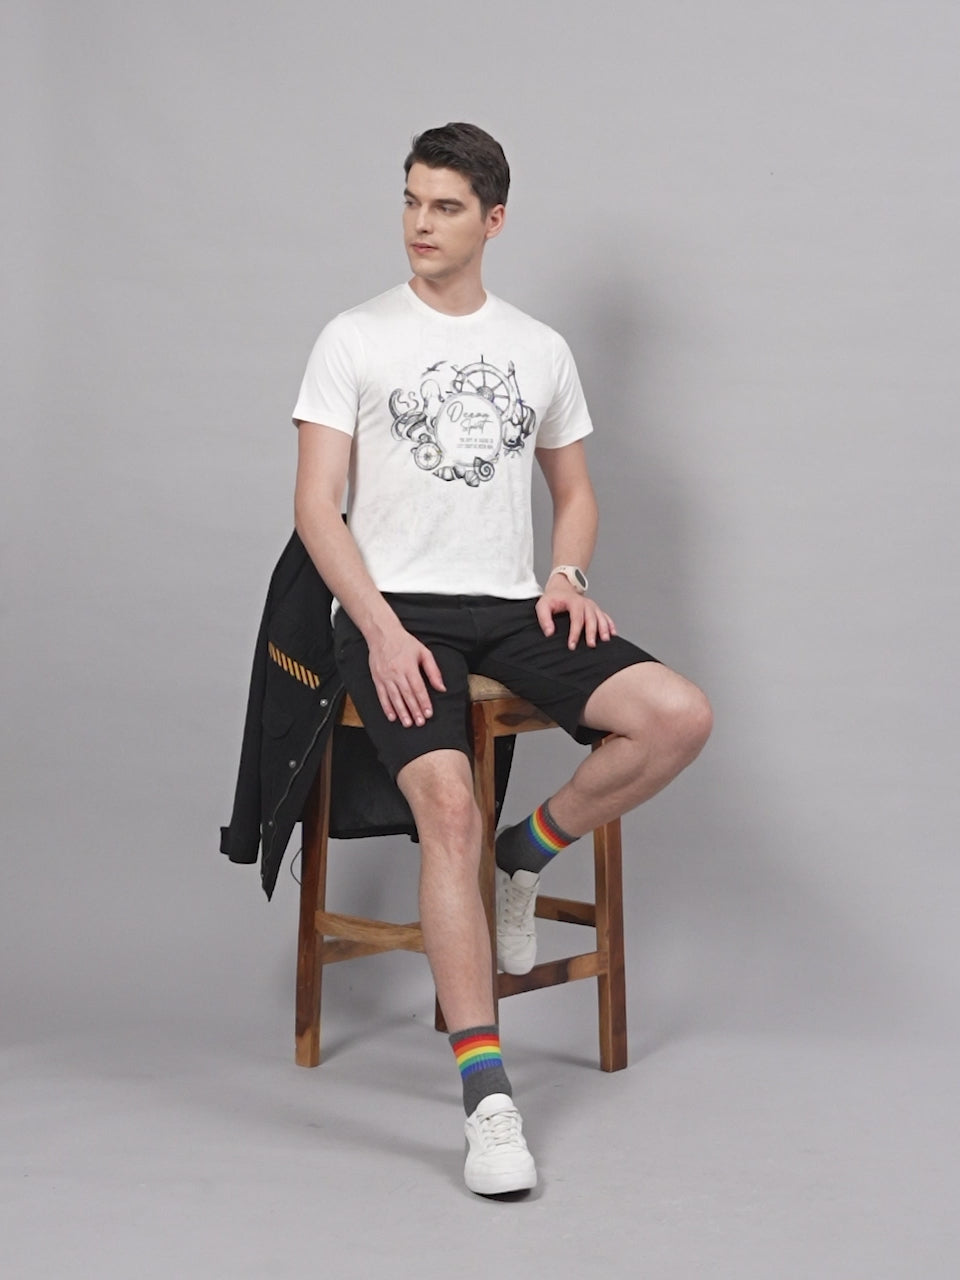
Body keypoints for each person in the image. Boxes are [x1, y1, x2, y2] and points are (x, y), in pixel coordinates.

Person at [291, 122, 712, 1196]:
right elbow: (316, 508)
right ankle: (488, 1099)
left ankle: (528, 850)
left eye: (444, 206)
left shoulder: (539, 347)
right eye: (410, 200)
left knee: (677, 715)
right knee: (448, 810)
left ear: (494, 220)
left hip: (513, 607)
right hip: (397, 611)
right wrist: (380, 630)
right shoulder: (354, 336)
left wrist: (566, 574)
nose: (420, 223)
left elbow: (574, 492)